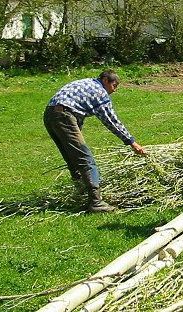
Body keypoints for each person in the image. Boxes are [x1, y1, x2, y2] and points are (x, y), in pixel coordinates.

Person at [43, 70, 145, 213]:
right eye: (114, 86)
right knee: (86, 160)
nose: (114, 90)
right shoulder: (100, 92)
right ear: (105, 81)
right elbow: (111, 121)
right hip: (64, 116)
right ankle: (95, 203)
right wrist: (131, 142)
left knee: (73, 158)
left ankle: (81, 193)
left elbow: (77, 111)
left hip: (50, 114)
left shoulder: (87, 83)